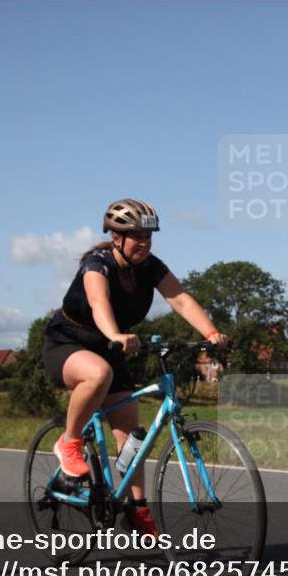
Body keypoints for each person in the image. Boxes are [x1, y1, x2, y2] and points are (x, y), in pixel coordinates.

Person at [42, 199, 227, 536]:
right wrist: (115, 334)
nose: (144, 243)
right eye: (136, 236)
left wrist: (211, 333)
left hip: (111, 349)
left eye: (148, 237)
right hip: (68, 344)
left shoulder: (150, 267)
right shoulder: (96, 265)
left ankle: (136, 510)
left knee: (132, 438)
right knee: (98, 372)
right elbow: (99, 302)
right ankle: (68, 443)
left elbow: (180, 299)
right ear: (116, 237)